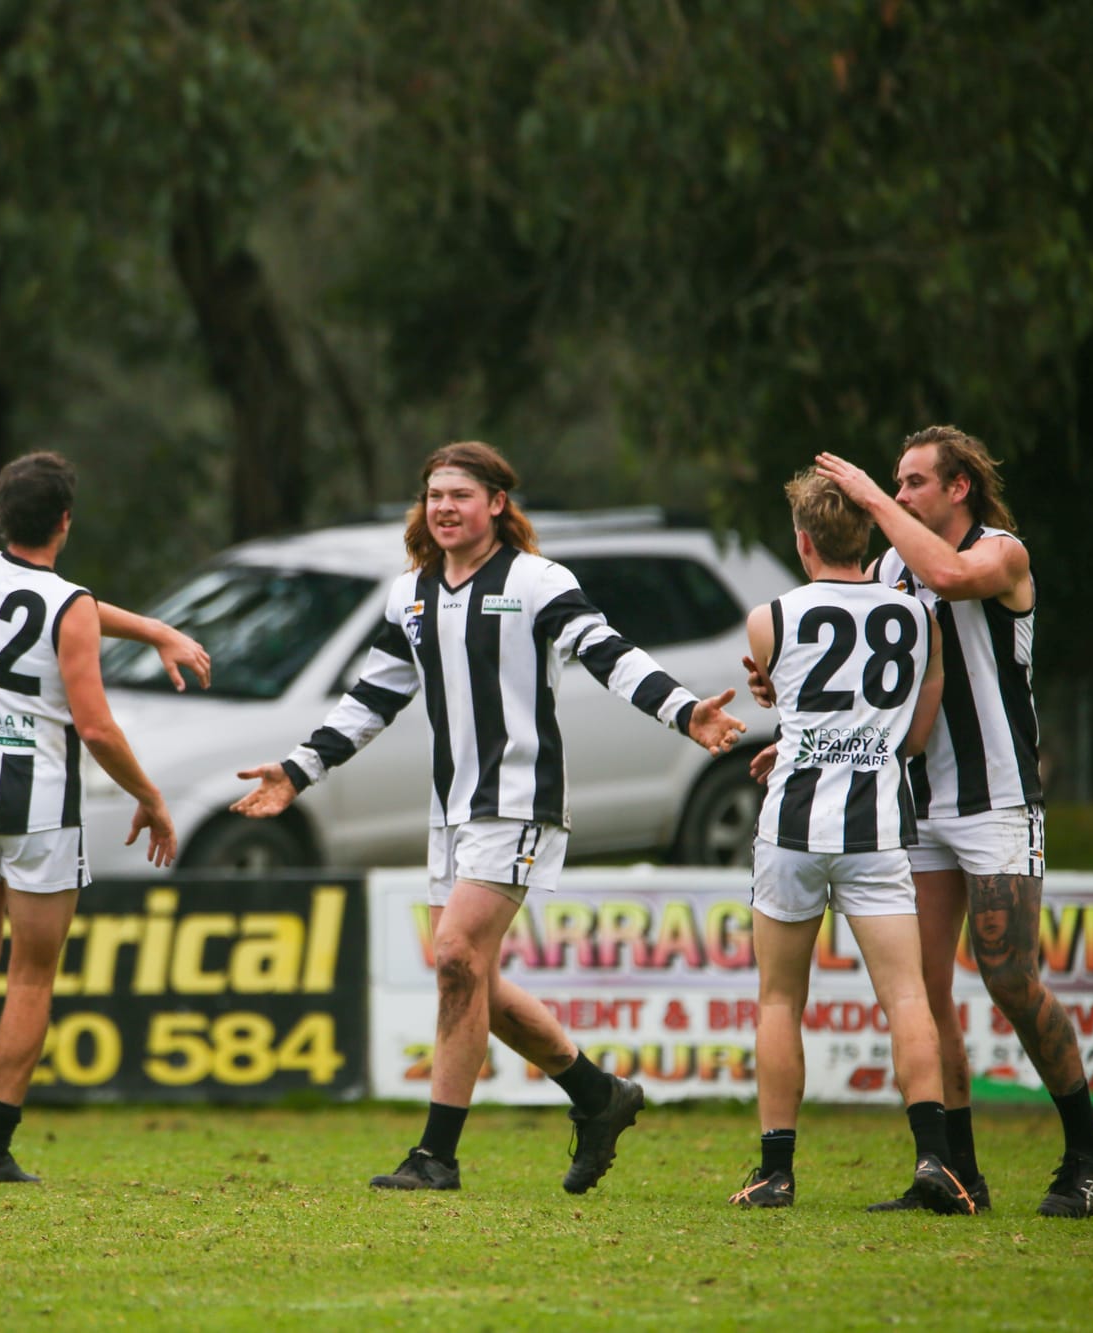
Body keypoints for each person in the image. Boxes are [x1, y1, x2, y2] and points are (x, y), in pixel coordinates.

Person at [232, 441, 746, 1192]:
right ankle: (598, 1095)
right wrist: (297, 769)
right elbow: (372, 697)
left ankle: (436, 1157)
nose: (444, 507)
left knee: (455, 958)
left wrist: (684, 710)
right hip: (451, 810)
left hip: (519, 800)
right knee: (470, 976)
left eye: (461, 495)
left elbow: (608, 652)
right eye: (434, 495)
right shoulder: (410, 593)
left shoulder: (538, 580)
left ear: (497, 504)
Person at [775, 427, 1093, 1218]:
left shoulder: (1000, 554)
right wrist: (794, 721)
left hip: (998, 801)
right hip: (921, 803)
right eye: (893, 482)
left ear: (959, 487)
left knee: (1008, 976)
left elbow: (950, 575)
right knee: (925, 990)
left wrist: (867, 498)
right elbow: (855, 660)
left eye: (913, 481)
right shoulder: (891, 568)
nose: (898, 494)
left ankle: (1088, 1148)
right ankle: (956, 1173)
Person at [0, 451, 183, 1184]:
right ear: (65, 521)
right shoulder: (71, 605)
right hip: (40, 805)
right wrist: (149, 797)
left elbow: (66, 608)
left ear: (1, 515)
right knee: (30, 975)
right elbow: (97, 727)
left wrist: (153, 629)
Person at [730, 468, 968, 1211]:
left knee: (779, 999)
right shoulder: (917, 617)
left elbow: (788, 699)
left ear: (803, 541)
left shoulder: (769, 617)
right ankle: (934, 1160)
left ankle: (776, 1172)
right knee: (907, 996)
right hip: (878, 827)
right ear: (867, 533)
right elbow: (915, 737)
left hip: (794, 828)